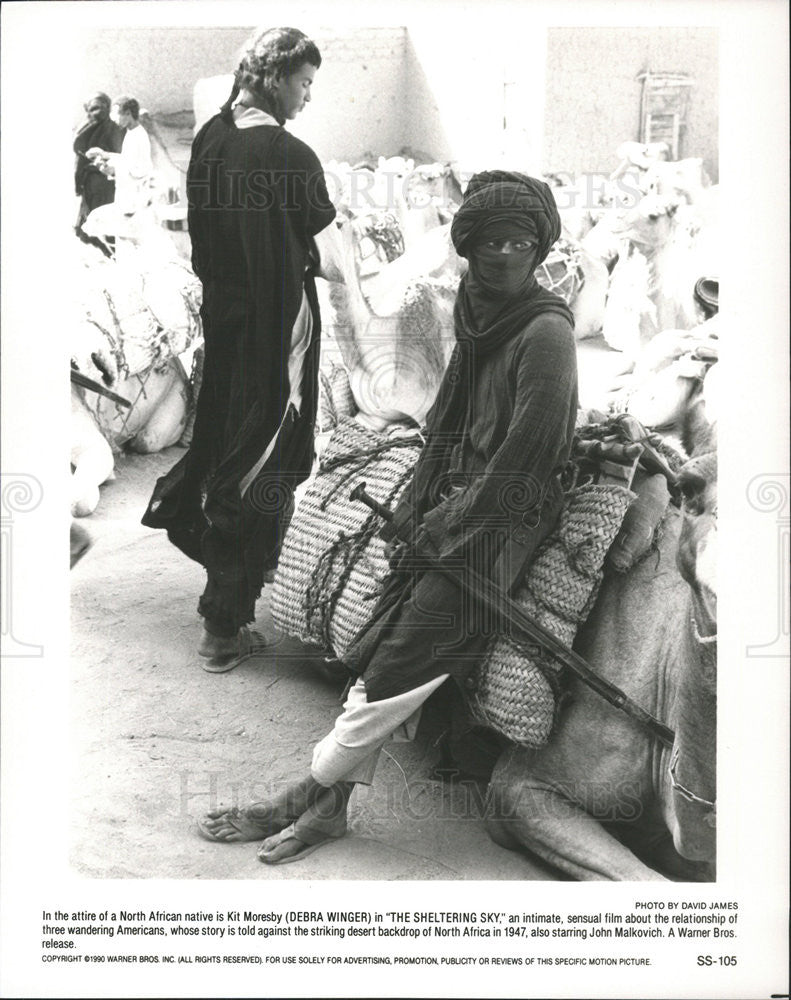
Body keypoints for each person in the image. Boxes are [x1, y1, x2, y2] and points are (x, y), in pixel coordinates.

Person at [197, 171, 579, 862]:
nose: (501, 256)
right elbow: (446, 422)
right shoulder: (476, 309)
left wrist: (454, 518)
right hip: (452, 497)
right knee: (378, 637)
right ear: (465, 246)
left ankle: (294, 795)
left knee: (406, 652)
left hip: (505, 514)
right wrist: (418, 501)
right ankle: (329, 812)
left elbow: (526, 457)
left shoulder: (544, 333)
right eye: (488, 241)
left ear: (538, 248)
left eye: (518, 242)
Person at [142, 27, 336, 669]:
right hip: (277, 331)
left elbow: (200, 236)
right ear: (277, 77)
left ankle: (228, 604)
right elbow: (317, 230)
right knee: (265, 465)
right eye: (304, 83)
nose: (307, 97)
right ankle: (223, 627)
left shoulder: (211, 140)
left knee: (225, 447)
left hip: (226, 326)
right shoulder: (291, 154)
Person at [85, 96, 153, 217]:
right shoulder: (131, 132)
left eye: (118, 115)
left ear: (128, 114)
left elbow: (141, 170)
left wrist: (114, 171)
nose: (115, 120)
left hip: (135, 199)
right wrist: (104, 154)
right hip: (128, 195)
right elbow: (127, 158)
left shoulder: (139, 136)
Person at [73, 92, 124, 249]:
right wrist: (78, 182)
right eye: (91, 109)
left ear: (107, 107)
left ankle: (107, 246)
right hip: (89, 180)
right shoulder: (87, 128)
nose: (94, 113)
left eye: (98, 108)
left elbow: (119, 155)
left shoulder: (115, 129)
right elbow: (79, 153)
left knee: (104, 215)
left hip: (106, 180)